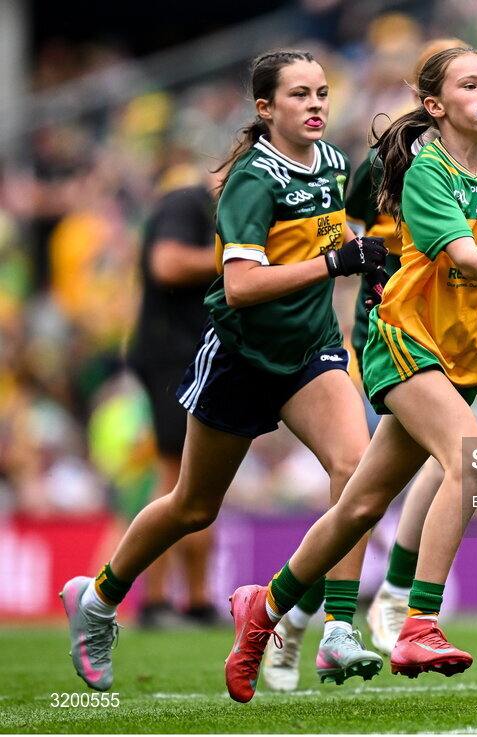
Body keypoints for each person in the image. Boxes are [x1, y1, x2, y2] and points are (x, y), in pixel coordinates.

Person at [221, 45, 477, 704]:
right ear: (437, 106)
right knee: (470, 459)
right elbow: (467, 257)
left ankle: (264, 607)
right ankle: (417, 619)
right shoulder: (424, 172)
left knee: (360, 502)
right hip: (404, 337)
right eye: (470, 84)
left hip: (465, 353)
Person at [60, 49, 389, 694]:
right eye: (299, 95)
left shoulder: (331, 163)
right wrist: (336, 263)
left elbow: (341, 231)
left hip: (311, 351)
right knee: (193, 505)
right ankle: (97, 600)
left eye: (322, 92)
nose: (316, 103)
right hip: (241, 358)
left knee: (358, 470)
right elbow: (239, 286)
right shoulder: (251, 181)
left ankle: (338, 630)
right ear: (265, 108)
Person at [261, 39, 465, 692]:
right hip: (387, 337)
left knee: (370, 492)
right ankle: (355, 609)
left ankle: (303, 612)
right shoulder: (373, 171)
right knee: (408, 471)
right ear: (428, 101)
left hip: (450, 342)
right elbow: (339, 243)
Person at [125, 166, 220, 629]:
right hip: (169, 355)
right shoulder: (186, 202)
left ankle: (197, 600)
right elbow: (166, 264)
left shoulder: (209, 208)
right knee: (175, 472)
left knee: (198, 475)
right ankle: (156, 599)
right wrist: (234, 257)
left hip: (193, 353)